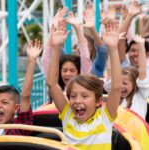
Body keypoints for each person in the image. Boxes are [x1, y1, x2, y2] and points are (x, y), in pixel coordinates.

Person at [47, 18, 122, 149]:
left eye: (85, 96)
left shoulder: (104, 117)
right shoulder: (68, 115)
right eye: (73, 96)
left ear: (98, 101)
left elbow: (116, 88)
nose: (77, 100)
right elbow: (52, 84)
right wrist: (56, 47)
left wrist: (113, 49)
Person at [0, 39, 42, 135]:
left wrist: (31, 61)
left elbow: (25, 95)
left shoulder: (19, 128)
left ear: (16, 108)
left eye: (4, 102)